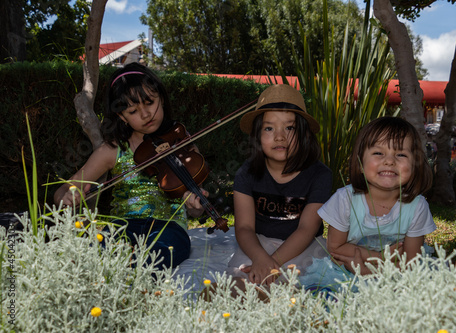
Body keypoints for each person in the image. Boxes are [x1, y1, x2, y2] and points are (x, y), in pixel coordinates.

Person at [54, 62, 206, 270]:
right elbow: (65, 188)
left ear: (161, 98)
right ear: (121, 116)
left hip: (169, 227)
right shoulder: (112, 150)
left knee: (160, 255)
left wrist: (195, 206)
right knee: (93, 252)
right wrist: (67, 196)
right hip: (122, 226)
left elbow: (197, 211)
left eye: (150, 102)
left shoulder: (181, 143)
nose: (145, 114)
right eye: (133, 110)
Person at [301, 116, 436, 291]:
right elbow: (335, 248)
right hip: (345, 270)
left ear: (415, 164)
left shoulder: (417, 207)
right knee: (326, 296)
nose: (389, 161)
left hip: (398, 272)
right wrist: (379, 257)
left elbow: (410, 263)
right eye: (378, 153)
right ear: (360, 160)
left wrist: (370, 271)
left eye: (401, 154)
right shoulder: (345, 199)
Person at [227, 84, 333, 288]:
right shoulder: (246, 174)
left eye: (289, 127)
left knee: (302, 281)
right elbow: (244, 227)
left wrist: (271, 264)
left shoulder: (320, 175)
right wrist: (260, 259)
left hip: (303, 245)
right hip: (257, 245)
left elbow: (306, 229)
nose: (279, 136)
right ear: (257, 135)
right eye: (269, 128)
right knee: (241, 277)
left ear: (304, 133)